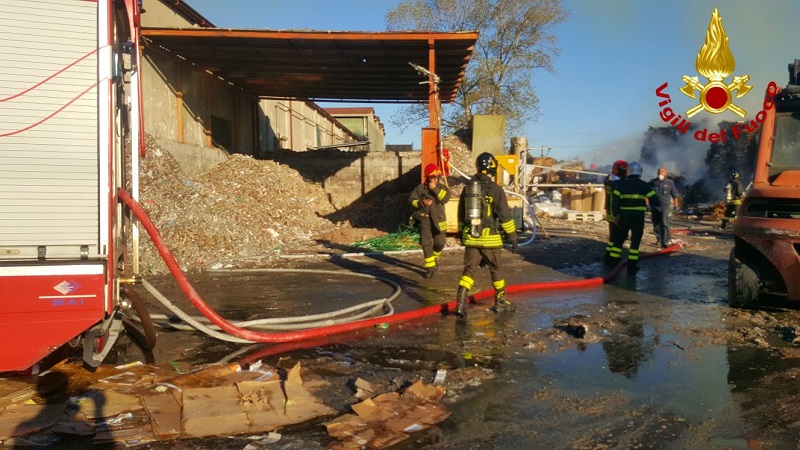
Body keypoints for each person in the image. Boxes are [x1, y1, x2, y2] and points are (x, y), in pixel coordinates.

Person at [454, 152, 518, 317]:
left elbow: (461, 213)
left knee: (469, 270)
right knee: (496, 269)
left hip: (471, 238)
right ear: (493, 169)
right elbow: (504, 215)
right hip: (490, 239)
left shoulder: (469, 188)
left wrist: (462, 234)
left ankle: (460, 304)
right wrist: (512, 236)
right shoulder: (496, 190)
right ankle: (500, 302)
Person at [607, 161, 660, 271]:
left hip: (623, 216)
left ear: (628, 171)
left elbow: (614, 202)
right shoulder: (644, 185)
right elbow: (655, 200)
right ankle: (632, 265)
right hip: (638, 217)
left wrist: (615, 215)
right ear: (640, 172)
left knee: (619, 238)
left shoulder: (620, 185)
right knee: (635, 240)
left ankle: (612, 262)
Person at [409, 163, 451, 277]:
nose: (435, 179)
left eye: (437, 177)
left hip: (439, 221)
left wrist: (435, 189)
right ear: (428, 177)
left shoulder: (442, 188)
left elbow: (446, 198)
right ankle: (430, 268)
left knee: (440, 243)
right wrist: (422, 203)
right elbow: (412, 201)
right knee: (426, 244)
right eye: (433, 177)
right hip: (425, 220)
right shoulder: (420, 188)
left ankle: (434, 256)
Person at [649, 166, 681, 248]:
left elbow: (674, 195)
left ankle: (665, 241)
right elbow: (646, 194)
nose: (660, 173)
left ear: (665, 173)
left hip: (665, 206)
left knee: (664, 222)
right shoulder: (652, 182)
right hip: (655, 206)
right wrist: (647, 204)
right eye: (659, 171)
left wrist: (676, 205)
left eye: (662, 171)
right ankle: (659, 239)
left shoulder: (670, 183)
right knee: (656, 223)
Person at [603, 160, 628, 259]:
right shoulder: (619, 184)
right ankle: (614, 258)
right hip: (617, 213)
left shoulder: (608, 180)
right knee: (618, 237)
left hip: (610, 211)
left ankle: (608, 255)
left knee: (612, 236)